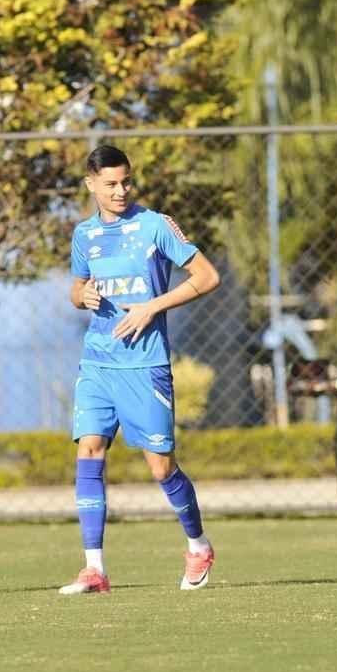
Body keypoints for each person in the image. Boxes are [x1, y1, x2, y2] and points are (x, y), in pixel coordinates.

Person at [61, 144, 221, 594]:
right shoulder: (84, 234)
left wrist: (153, 306)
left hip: (145, 363)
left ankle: (198, 545)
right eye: (110, 183)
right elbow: (76, 286)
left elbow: (207, 277)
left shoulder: (155, 226)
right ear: (91, 184)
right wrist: (82, 297)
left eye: (126, 181)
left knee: (160, 467)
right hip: (97, 362)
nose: (120, 191)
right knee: (89, 449)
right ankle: (94, 568)